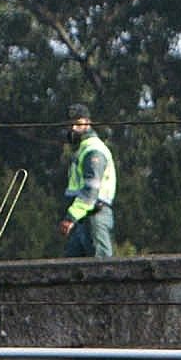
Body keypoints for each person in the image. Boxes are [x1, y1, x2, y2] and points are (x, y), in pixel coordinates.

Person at [62, 107, 119, 256]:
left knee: (100, 271)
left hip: (94, 217)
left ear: (88, 123)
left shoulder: (93, 150)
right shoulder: (82, 150)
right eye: (70, 125)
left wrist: (70, 217)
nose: (73, 128)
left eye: (77, 124)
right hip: (83, 218)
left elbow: (91, 190)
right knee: (73, 272)